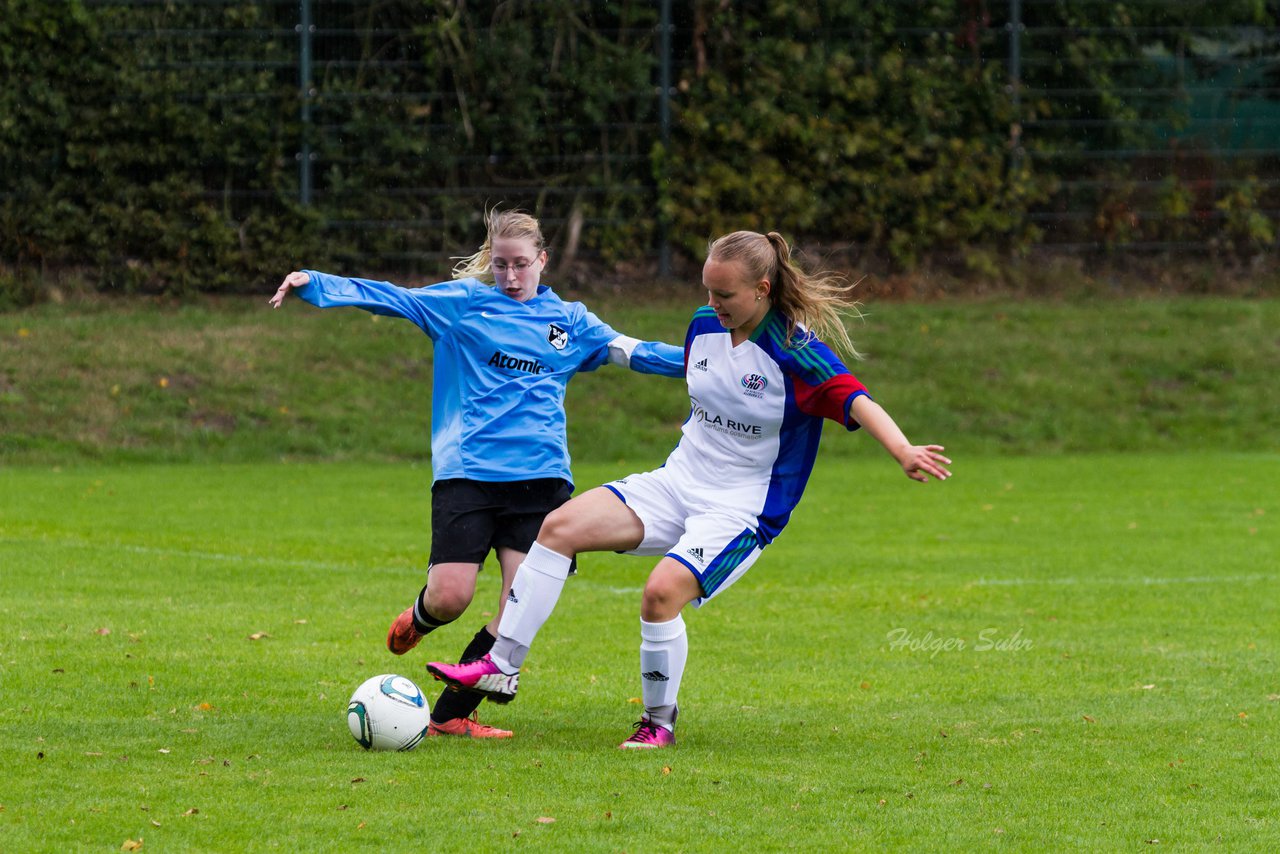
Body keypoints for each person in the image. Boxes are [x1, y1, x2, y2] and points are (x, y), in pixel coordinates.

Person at [427, 229, 952, 748]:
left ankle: (658, 722)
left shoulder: (796, 353)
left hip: (741, 510)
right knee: (558, 526)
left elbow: (855, 398)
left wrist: (903, 450)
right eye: (707, 290)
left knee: (660, 594)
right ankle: (501, 665)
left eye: (724, 295)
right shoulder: (704, 324)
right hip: (677, 482)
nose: (711, 303)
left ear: (762, 291)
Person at [269, 208, 683, 739]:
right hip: (469, 473)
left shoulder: (572, 323)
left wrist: (712, 355)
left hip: (541, 482)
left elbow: (639, 353)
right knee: (451, 597)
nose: (511, 278)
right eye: (501, 265)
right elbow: (396, 297)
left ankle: (449, 715)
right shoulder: (463, 305)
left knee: (516, 610)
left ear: (543, 261)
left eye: (522, 265)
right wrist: (316, 284)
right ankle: (421, 618)